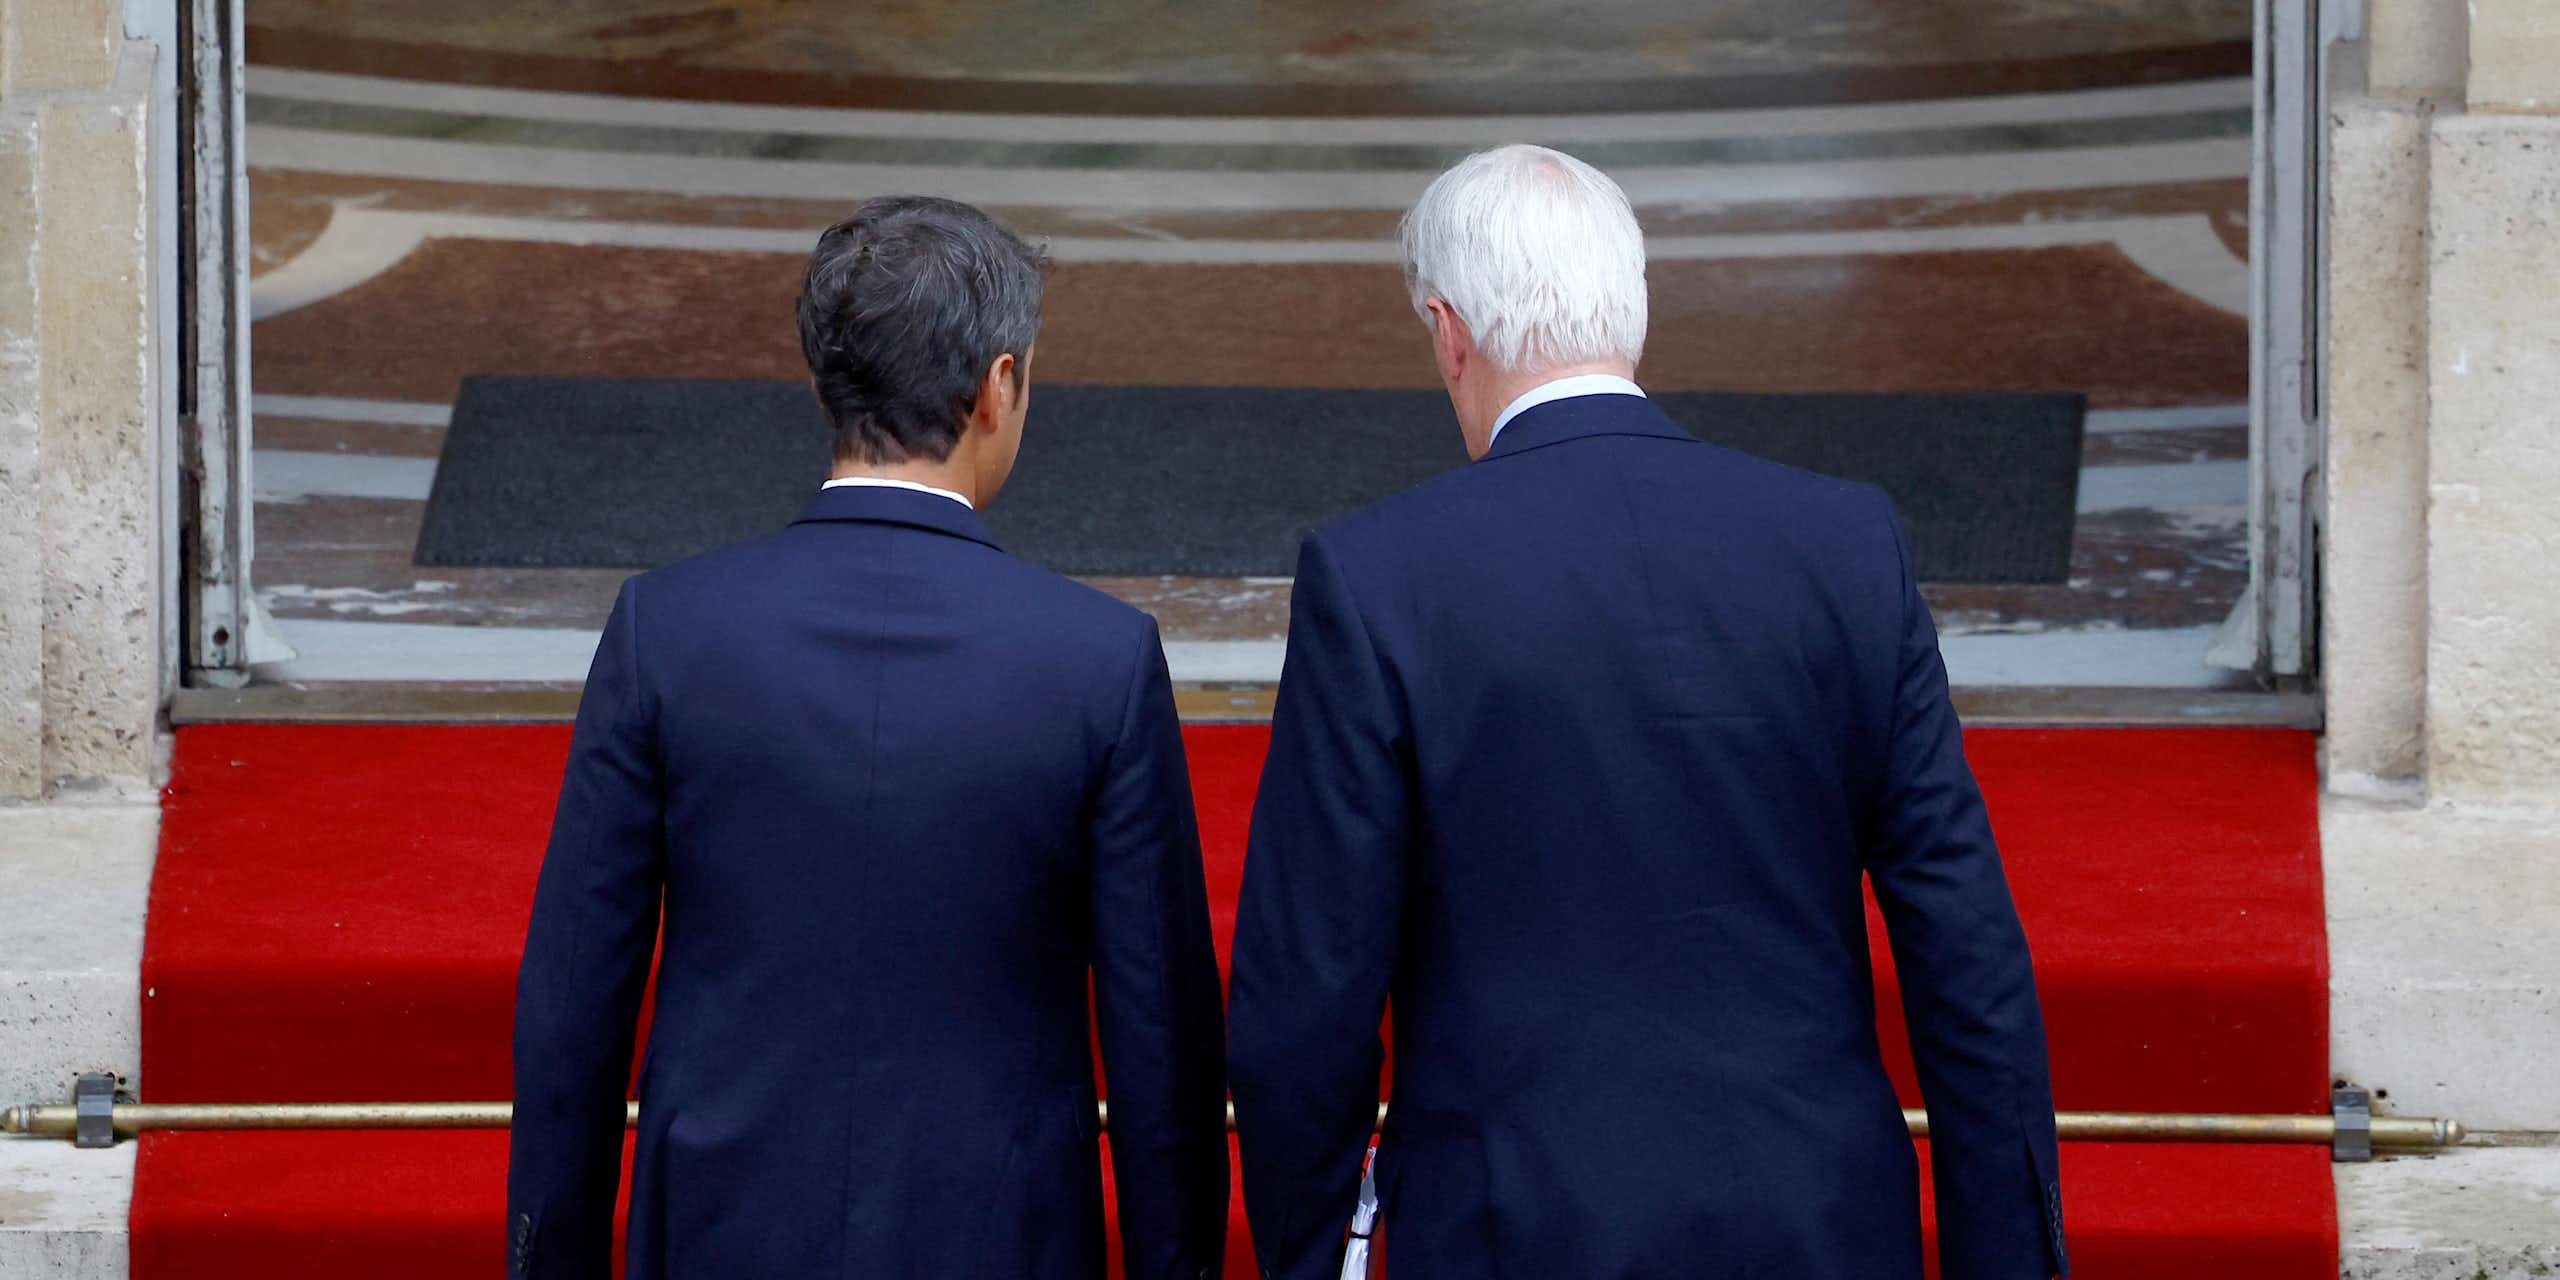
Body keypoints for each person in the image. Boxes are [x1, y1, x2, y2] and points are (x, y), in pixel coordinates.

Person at [1226, 145, 2066, 1280]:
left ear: (1448, 327)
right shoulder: (1842, 542)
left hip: (1508, 1223)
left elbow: (1310, 984)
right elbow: (1962, 944)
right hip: (1816, 1213)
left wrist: (1305, 1247)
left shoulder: (1380, 575)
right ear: (1634, 311)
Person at [507, 195, 1229, 1280]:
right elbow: (1158, 1038)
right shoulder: (1098, 658)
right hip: (1003, 1230)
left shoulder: (670, 627)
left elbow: (575, 1003)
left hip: (720, 1217)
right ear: (998, 386)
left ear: (823, 383)